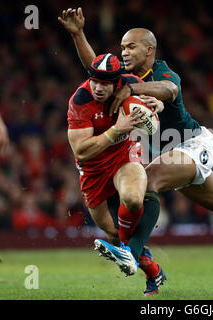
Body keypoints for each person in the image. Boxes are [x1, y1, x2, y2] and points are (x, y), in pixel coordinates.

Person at [59, 7, 213, 286]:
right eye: (122, 48)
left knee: (149, 180)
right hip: (166, 153)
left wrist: (137, 92)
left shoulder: (162, 72)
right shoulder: (121, 79)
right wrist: (78, 34)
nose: (124, 53)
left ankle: (130, 254)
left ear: (149, 50)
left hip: (193, 144)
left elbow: (169, 91)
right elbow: (96, 70)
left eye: (131, 47)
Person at [67, 53, 167, 291]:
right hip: (92, 171)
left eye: (105, 83)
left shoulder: (130, 82)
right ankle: (152, 270)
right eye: (95, 81)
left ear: (117, 82)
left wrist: (159, 104)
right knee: (113, 234)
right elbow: (81, 151)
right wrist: (116, 130)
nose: (99, 88)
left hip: (124, 155)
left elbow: (164, 91)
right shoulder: (80, 101)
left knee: (133, 198)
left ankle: (130, 253)